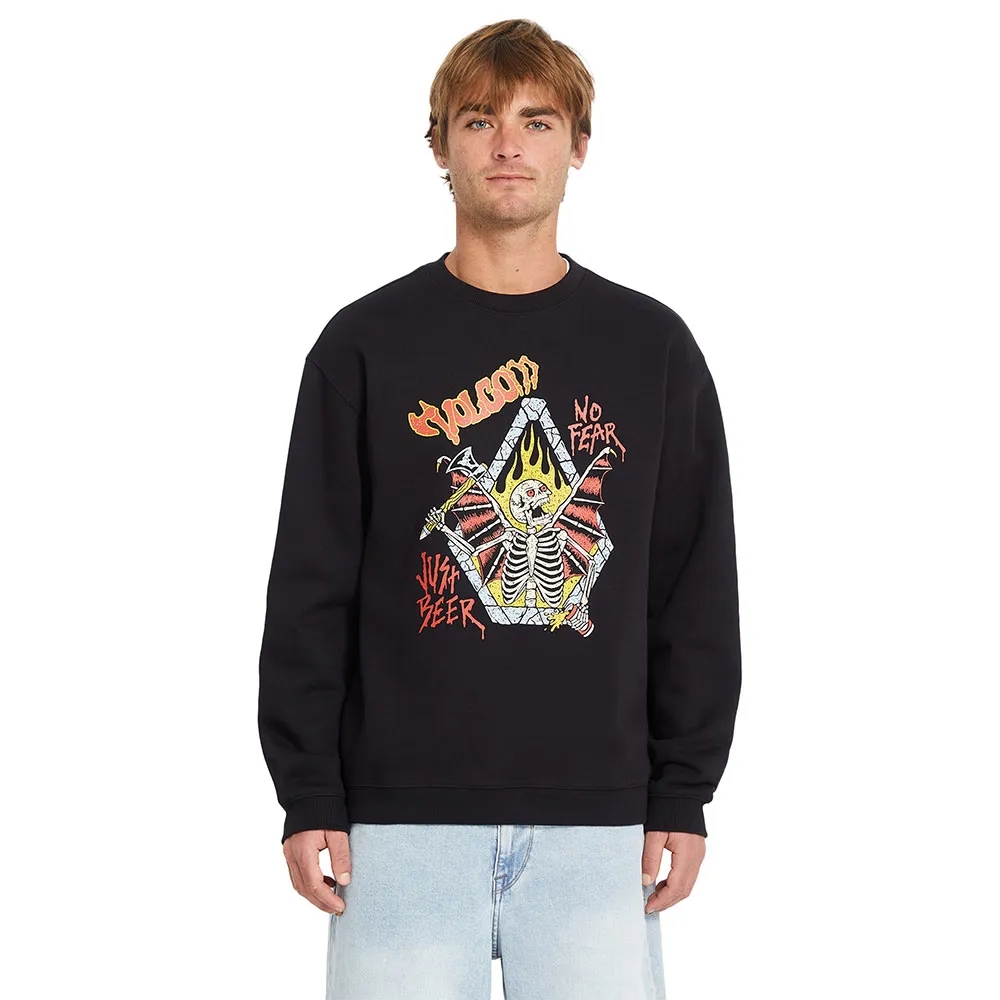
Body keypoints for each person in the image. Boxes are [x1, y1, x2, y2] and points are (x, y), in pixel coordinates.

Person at [257, 18, 741, 1000]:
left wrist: (683, 790)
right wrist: (308, 790)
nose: (508, 144)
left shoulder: (652, 350)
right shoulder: (363, 346)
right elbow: (310, 583)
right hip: (397, 822)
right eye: (479, 120)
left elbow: (692, 588)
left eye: (538, 120)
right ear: (439, 145)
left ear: (579, 145)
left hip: (597, 824)